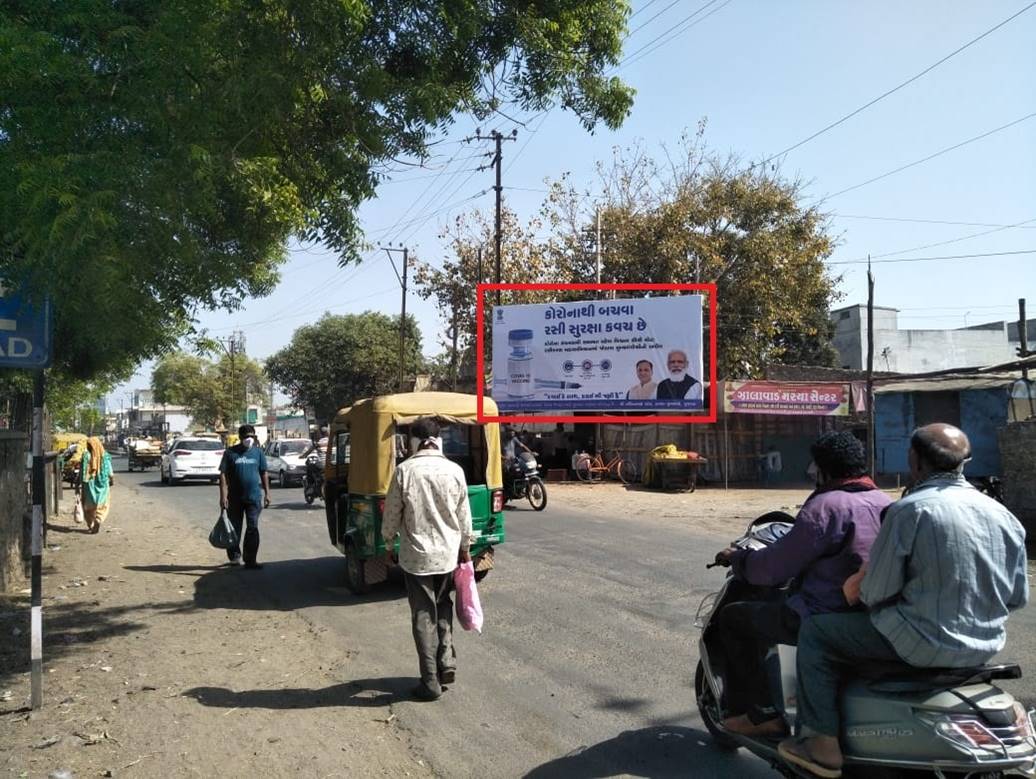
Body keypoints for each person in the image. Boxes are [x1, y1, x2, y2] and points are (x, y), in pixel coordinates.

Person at [778, 424, 1029, 779]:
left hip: (919, 644)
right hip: (984, 647)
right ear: (964, 463)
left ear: (915, 462)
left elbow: (875, 591)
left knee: (818, 632)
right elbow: (1017, 597)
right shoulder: (1005, 517)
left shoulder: (910, 511)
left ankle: (821, 744)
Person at [713, 431, 891, 738]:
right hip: (873, 613)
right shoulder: (885, 501)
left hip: (823, 613)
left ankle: (762, 715)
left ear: (824, 469)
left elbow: (774, 568)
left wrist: (739, 560)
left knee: (733, 620)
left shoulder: (825, 507)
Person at [382, 417, 474, 701]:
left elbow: (392, 514)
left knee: (423, 615)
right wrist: (466, 547)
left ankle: (430, 681)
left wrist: (388, 543)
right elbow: (464, 515)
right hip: (448, 554)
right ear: (439, 439)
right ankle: (446, 658)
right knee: (443, 605)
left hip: (416, 557)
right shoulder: (454, 470)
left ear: (412, 440)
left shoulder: (404, 471)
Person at [218, 424, 271, 569]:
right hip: (234, 499)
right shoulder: (230, 453)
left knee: (252, 528)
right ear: (240, 437)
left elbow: (264, 472)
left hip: (253, 498)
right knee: (234, 528)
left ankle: (250, 560)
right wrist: (223, 497)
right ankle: (235, 557)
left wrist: (267, 493)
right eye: (246, 436)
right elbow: (222, 475)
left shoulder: (258, 453)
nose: (249, 439)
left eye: (251, 436)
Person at [80, 437, 113, 534]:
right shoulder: (105, 456)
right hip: (103, 484)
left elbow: (82, 472)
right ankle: (98, 518)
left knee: (88, 506)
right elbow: (110, 473)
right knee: (103, 505)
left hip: (88, 484)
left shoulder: (86, 456)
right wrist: (111, 480)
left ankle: (90, 524)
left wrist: (79, 484)